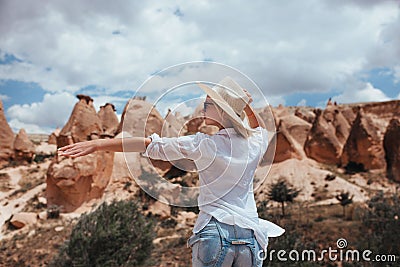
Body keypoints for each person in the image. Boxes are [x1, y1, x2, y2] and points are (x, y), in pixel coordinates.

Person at [58, 76, 284, 266]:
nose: (203, 108)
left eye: (208, 105)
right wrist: (244, 104)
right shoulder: (255, 144)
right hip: (250, 238)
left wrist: (98, 145)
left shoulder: (203, 144)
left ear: (223, 113)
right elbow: (258, 129)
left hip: (215, 231)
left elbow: (149, 145)